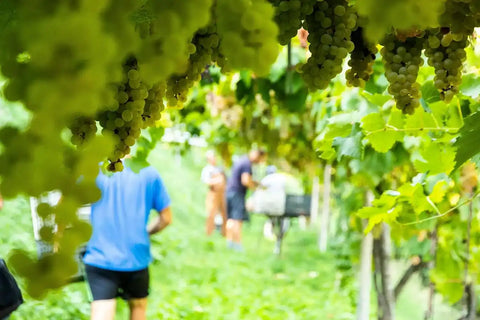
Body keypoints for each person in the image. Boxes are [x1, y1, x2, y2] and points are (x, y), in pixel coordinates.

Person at [83, 164, 172, 320]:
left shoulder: (94, 170)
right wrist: (146, 233)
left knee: (102, 312)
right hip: (136, 257)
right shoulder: (149, 173)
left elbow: (65, 200)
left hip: (100, 257)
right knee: (138, 308)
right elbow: (166, 218)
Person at [225, 149, 266, 251]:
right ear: (257, 155)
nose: (260, 162)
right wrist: (256, 189)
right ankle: (238, 246)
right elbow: (245, 180)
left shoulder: (241, 160)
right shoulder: (247, 164)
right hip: (237, 193)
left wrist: (257, 183)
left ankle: (229, 243)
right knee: (238, 220)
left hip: (229, 191)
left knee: (231, 219)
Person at [200, 150, 227, 236]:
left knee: (224, 213)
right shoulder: (207, 169)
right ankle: (208, 233)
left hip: (222, 193)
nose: (214, 159)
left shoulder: (218, 168)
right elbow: (206, 181)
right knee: (211, 214)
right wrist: (217, 181)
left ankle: (224, 233)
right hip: (213, 193)